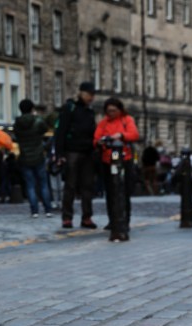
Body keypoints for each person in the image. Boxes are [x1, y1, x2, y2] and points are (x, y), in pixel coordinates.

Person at [93, 97, 140, 237]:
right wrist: (101, 141)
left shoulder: (127, 120)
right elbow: (96, 139)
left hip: (124, 159)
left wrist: (121, 135)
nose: (111, 113)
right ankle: (112, 220)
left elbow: (134, 134)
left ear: (120, 110)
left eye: (114, 111)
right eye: (108, 111)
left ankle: (125, 219)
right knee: (111, 191)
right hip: (107, 161)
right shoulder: (103, 123)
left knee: (124, 191)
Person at [55, 81, 97, 229]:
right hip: (72, 151)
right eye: (89, 94)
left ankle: (87, 217)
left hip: (88, 152)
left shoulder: (90, 111)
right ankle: (67, 217)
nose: (91, 98)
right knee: (70, 186)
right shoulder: (69, 108)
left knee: (88, 186)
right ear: (81, 93)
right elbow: (60, 132)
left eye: (93, 95)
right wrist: (59, 153)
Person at [13, 98, 53, 218]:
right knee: (43, 184)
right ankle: (47, 209)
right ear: (31, 109)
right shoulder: (37, 121)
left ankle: (34, 211)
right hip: (38, 156)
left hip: (25, 157)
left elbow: (17, 136)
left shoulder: (17, 124)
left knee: (30, 185)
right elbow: (45, 129)